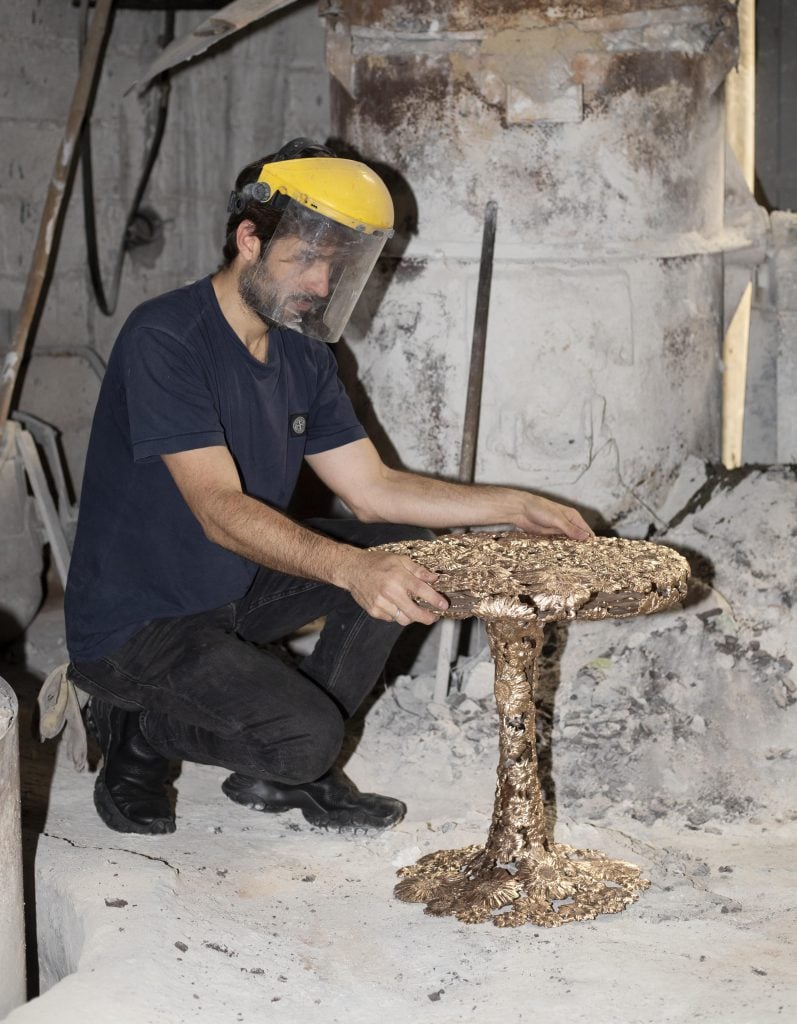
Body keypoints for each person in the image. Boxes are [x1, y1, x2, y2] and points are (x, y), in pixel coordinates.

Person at [64, 138, 593, 837]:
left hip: (231, 587)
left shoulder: (304, 352)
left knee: (404, 550)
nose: (318, 283)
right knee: (308, 735)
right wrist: (351, 568)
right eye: (304, 257)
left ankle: (276, 774)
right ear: (248, 238)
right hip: (140, 621)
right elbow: (220, 511)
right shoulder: (166, 337)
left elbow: (372, 490)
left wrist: (514, 504)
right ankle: (142, 735)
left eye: (334, 263)